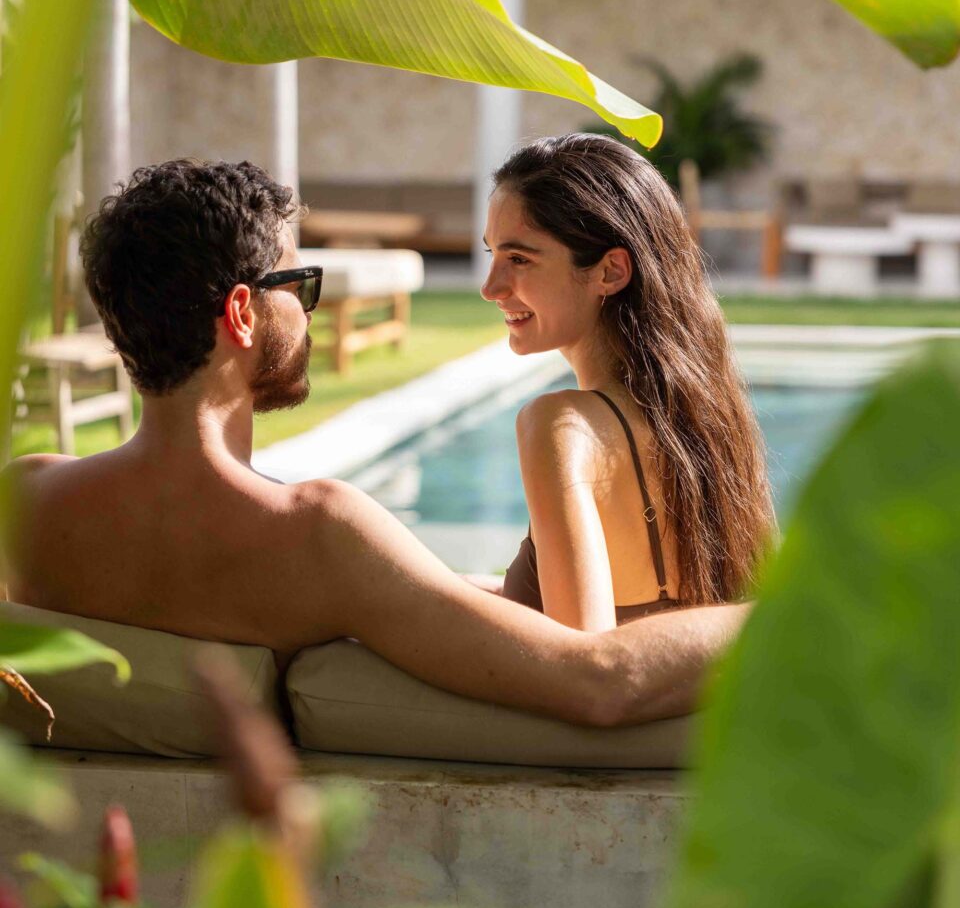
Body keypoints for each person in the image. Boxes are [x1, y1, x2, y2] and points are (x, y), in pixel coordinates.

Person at [0, 159, 748, 728]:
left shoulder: (25, 504)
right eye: (299, 283)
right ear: (242, 314)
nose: (308, 309)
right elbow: (599, 679)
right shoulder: (317, 535)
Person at [481, 133, 773, 632]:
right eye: (492, 255)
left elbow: (584, 659)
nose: (491, 288)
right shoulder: (709, 424)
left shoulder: (560, 426)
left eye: (520, 259)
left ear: (610, 271)